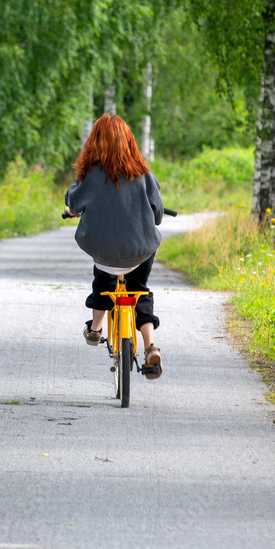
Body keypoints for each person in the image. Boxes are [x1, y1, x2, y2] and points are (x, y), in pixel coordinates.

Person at [64, 113, 164, 378]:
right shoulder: (143, 174)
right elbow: (157, 215)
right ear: (129, 140)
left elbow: (73, 203)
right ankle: (150, 345)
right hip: (139, 253)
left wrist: (71, 209)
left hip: (104, 253)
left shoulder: (91, 176)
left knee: (104, 282)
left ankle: (96, 329)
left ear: (94, 141)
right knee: (139, 290)